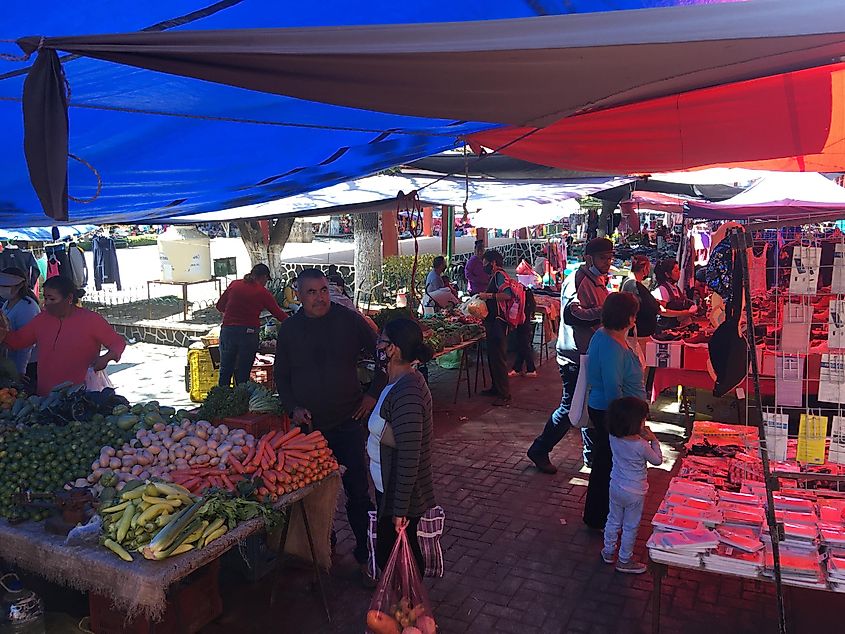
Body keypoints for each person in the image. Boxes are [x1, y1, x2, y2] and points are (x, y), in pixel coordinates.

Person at [273, 268, 386, 586]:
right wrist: (292, 406)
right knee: (315, 495)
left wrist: (373, 393)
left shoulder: (349, 320)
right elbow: (281, 376)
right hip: (310, 430)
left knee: (358, 495)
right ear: (298, 295)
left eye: (323, 290)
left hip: (348, 422)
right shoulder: (290, 330)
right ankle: (323, 549)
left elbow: (382, 354)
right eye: (311, 292)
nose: (320, 297)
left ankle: (366, 555)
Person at [527, 237, 614, 474]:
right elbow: (573, 315)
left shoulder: (598, 280)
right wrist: (607, 312)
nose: (607, 262)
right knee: (570, 408)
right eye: (603, 258)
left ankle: (591, 456)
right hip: (574, 357)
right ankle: (539, 449)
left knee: (590, 406)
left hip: (589, 354)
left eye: (609, 258)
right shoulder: (578, 280)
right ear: (589, 258)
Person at [367, 318, 436, 574]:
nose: (378, 346)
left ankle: (410, 608)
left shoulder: (408, 391)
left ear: (393, 349)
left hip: (399, 495)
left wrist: (400, 510)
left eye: (382, 341)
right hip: (390, 490)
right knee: (396, 558)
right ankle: (405, 606)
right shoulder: (395, 381)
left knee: (402, 559)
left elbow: (410, 455)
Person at [583, 292, 646, 530]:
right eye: (634, 315)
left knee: (605, 463)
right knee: (607, 466)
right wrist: (623, 424)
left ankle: (598, 515)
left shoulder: (604, 335)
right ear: (629, 318)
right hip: (611, 413)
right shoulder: (612, 346)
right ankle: (599, 517)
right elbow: (612, 387)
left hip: (608, 410)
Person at [0, 276, 125, 396]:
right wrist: (3, 334)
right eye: (46, 298)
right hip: (46, 394)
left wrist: (106, 358)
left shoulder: (91, 319)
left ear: (69, 298)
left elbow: (117, 343)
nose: (46, 303)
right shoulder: (41, 319)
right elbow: (19, 340)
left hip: (81, 393)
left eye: (52, 299)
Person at [601, 396, 663, 574]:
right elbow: (657, 460)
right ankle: (624, 559)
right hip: (635, 491)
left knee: (613, 519)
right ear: (636, 422)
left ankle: (608, 551)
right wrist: (654, 440)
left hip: (616, 485)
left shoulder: (613, 436)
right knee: (630, 526)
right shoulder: (641, 445)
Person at [215, 263, 288, 387]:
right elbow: (279, 314)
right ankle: (241, 401)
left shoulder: (234, 284)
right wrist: (297, 323)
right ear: (264, 277)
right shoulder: (262, 292)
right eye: (266, 280)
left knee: (225, 370)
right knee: (243, 373)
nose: (266, 283)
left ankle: (222, 398)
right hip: (248, 335)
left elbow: (219, 306)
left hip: (228, 331)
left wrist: (233, 314)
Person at [477, 250, 514, 406]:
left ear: (493, 263)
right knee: (493, 357)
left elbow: (507, 294)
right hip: (492, 323)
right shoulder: (495, 276)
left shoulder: (500, 275)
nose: (483, 266)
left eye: (485, 263)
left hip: (499, 323)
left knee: (499, 359)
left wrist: (488, 296)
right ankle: (495, 388)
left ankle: (504, 394)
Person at [0, 268, 40, 387]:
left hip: (28, 364)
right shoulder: (8, 303)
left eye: (7, 285)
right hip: (12, 360)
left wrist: (20, 370)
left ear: (19, 286)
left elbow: (27, 343)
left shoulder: (27, 307)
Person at [620, 256, 661, 354]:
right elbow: (644, 307)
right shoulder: (634, 285)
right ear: (645, 268)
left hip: (637, 333)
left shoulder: (628, 282)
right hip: (638, 335)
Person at [652, 259, 697, 331]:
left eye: (679, 270)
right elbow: (662, 311)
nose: (679, 273)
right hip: (667, 329)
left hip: (678, 327)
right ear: (667, 274)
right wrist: (683, 313)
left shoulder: (676, 288)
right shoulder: (662, 289)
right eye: (676, 271)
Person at [509, 286, 537, 377]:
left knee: (524, 344)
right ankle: (517, 368)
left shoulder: (520, 297)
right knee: (522, 344)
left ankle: (531, 369)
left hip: (522, 322)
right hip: (524, 322)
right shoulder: (526, 296)